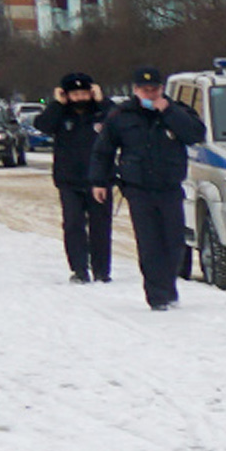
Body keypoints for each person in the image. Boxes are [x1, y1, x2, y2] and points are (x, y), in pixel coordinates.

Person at [90, 65, 205, 311]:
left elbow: (195, 134)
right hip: (138, 189)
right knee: (149, 244)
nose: (149, 94)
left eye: (154, 90)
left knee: (174, 243)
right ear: (135, 90)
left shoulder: (177, 111)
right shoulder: (121, 115)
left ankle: (168, 284)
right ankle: (157, 296)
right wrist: (99, 182)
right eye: (144, 90)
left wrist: (170, 112)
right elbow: (103, 151)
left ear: (161, 90)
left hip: (169, 187)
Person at [36, 72, 114, 283]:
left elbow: (120, 121)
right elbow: (42, 125)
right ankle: (79, 269)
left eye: (83, 93)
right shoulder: (61, 114)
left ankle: (101, 270)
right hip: (69, 180)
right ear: (66, 95)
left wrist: (102, 101)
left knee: (100, 226)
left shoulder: (102, 113)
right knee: (73, 225)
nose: (80, 98)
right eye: (75, 94)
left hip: (99, 180)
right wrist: (56, 104)